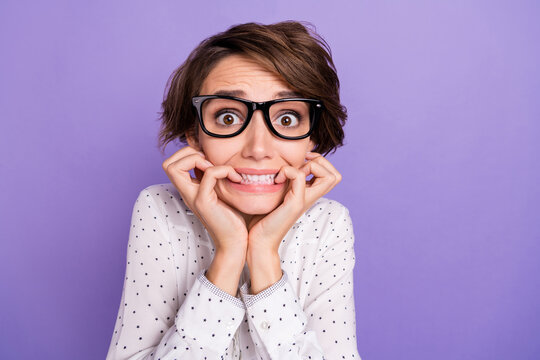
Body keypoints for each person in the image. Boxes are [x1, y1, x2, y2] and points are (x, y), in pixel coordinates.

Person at [106, 20, 361, 359]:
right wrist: (228, 254)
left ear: (312, 136)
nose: (258, 148)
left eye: (286, 119)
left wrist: (265, 253)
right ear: (194, 135)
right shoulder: (160, 209)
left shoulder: (328, 223)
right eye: (228, 117)